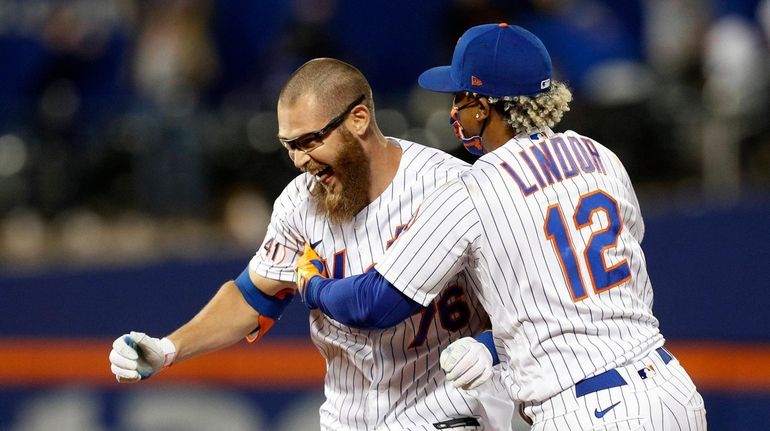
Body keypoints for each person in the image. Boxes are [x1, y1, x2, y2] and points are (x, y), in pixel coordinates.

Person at [295, 24, 708, 430]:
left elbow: (375, 302)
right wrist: (491, 346)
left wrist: (314, 284)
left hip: (589, 410)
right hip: (671, 389)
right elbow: (590, 284)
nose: (454, 109)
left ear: (483, 105)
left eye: (460, 97)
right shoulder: (599, 155)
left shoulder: (473, 190)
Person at [108, 58, 514, 430]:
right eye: (289, 145)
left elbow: (526, 303)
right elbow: (252, 297)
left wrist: (487, 348)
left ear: (358, 118)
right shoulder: (299, 201)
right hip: (348, 419)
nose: (300, 160)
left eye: (310, 141)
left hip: (449, 414)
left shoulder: (452, 186)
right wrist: (169, 348)